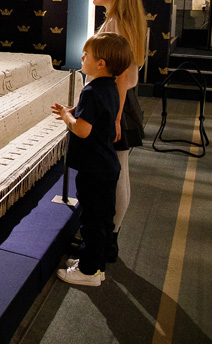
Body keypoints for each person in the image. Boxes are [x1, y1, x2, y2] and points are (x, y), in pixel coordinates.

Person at [52, 32, 133, 286]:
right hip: (106, 166)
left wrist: (68, 118)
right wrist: (72, 111)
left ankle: (88, 272)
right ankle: (95, 263)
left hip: (94, 168)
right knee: (101, 219)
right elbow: (97, 115)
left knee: (91, 221)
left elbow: (83, 130)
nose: (82, 57)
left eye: (86, 55)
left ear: (101, 63)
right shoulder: (109, 87)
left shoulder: (91, 91)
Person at [91, 0, 147, 262]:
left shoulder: (116, 24)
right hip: (120, 102)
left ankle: (108, 239)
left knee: (115, 174)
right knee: (119, 172)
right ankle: (110, 236)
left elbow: (123, 76)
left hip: (116, 103)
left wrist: (113, 116)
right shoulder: (126, 19)